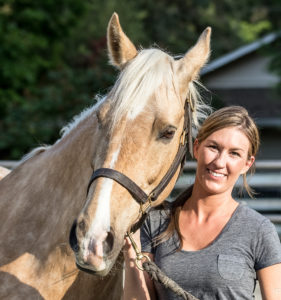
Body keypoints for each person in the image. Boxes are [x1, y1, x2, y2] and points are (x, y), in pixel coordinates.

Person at [123, 106, 281, 300]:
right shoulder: (155, 220)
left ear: (247, 164)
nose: (220, 162)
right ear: (197, 148)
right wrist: (130, 253)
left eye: (234, 154)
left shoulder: (259, 230)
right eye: (213, 147)